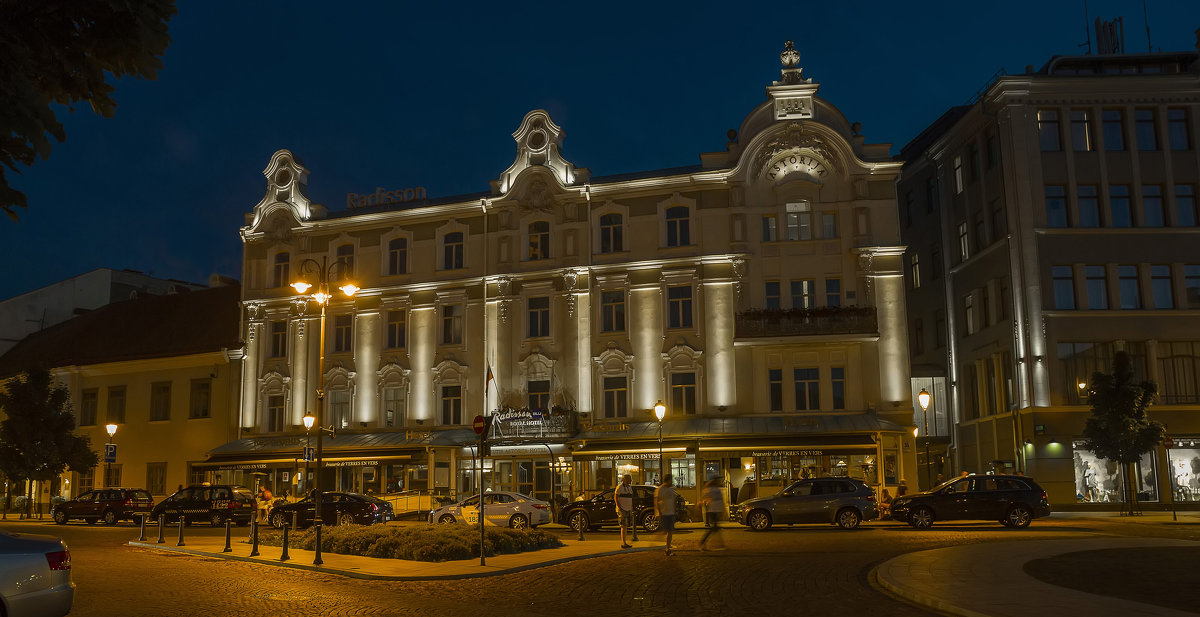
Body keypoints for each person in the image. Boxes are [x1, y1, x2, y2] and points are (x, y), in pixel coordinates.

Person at [654, 474, 679, 556]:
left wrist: (675, 510)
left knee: (669, 531)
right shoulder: (660, 489)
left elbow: (675, 499)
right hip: (664, 513)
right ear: (668, 480)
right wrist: (659, 512)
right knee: (667, 531)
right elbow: (656, 501)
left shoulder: (671, 489)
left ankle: (667, 548)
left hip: (671, 513)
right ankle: (657, 541)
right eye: (671, 480)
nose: (672, 481)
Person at [699, 478, 726, 551]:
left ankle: (721, 544)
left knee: (715, 528)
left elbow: (704, 496)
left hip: (714, 510)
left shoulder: (711, 489)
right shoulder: (715, 490)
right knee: (714, 528)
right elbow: (720, 500)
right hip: (714, 510)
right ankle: (702, 543)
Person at [615, 474, 635, 549]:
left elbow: (630, 497)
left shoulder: (629, 487)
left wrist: (631, 507)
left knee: (626, 526)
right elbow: (616, 497)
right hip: (622, 509)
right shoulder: (620, 487)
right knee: (623, 526)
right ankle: (623, 542)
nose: (631, 480)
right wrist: (619, 508)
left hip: (628, 508)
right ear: (625, 479)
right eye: (630, 479)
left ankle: (625, 542)